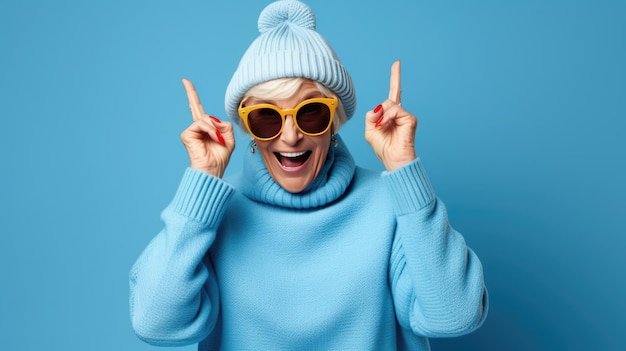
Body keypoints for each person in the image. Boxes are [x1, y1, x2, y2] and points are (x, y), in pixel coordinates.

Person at [129, 0, 488, 349]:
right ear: (247, 128)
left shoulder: (391, 204)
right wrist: (202, 183)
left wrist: (406, 173)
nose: (290, 135)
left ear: (334, 122)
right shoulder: (214, 215)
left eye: (310, 112)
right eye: (266, 116)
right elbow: (157, 324)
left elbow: (455, 316)